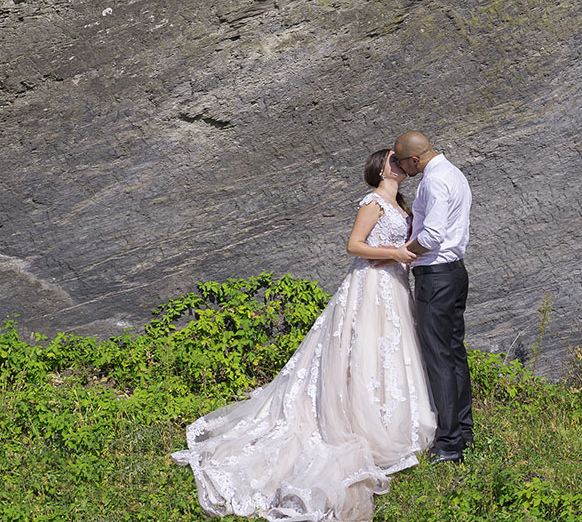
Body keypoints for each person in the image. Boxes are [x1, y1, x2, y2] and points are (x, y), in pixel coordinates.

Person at [172, 150, 435, 521]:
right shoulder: (373, 202)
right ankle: (360, 420)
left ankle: (391, 417)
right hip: (372, 283)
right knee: (363, 349)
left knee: (389, 351)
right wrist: (395, 253)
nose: (400, 163)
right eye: (394, 159)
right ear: (380, 169)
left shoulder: (401, 205)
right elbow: (354, 245)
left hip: (393, 284)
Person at [392, 130, 473, 464]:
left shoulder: (434, 181)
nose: (401, 168)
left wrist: (402, 252)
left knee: (439, 359)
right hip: (454, 273)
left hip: (436, 276)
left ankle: (449, 443)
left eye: (402, 163)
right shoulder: (454, 173)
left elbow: (432, 235)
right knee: (453, 354)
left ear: (414, 160)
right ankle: (463, 431)